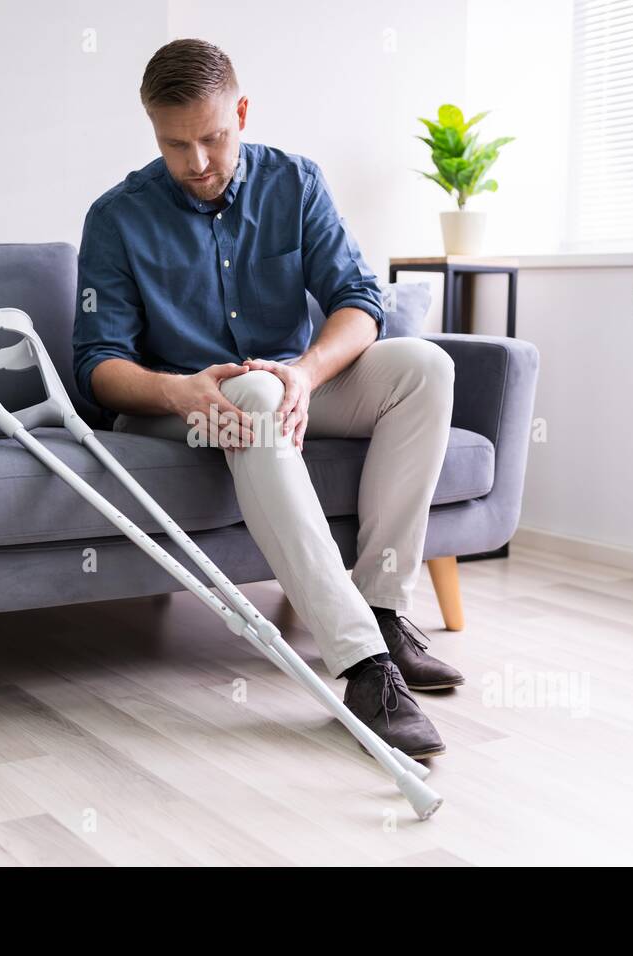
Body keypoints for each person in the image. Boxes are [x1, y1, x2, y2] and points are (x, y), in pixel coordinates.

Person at [72, 38, 461, 758]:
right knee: (251, 388)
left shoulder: (297, 183)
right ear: (153, 131)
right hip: (174, 411)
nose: (196, 163)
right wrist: (179, 390)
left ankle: (382, 611)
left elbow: (358, 302)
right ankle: (364, 667)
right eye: (174, 144)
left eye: (213, 138)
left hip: (282, 389)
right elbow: (97, 366)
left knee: (424, 368)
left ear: (241, 112)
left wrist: (307, 373)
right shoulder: (116, 218)